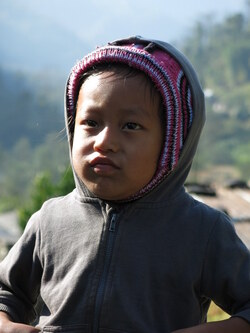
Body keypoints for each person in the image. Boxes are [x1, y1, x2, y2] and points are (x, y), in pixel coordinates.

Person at [0, 36, 249, 333]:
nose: (104, 142)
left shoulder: (202, 230)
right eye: (91, 122)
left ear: (171, 143)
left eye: (130, 126)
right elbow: (8, 295)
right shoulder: (49, 221)